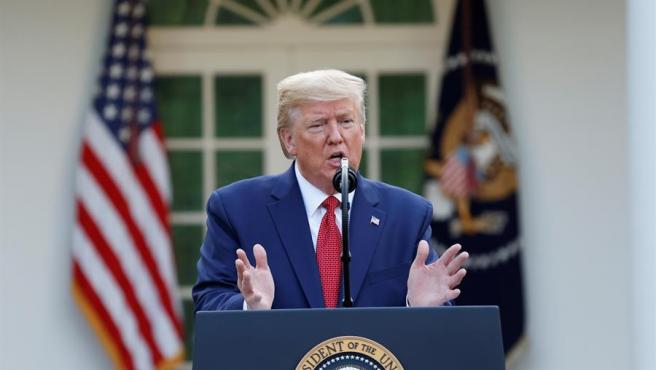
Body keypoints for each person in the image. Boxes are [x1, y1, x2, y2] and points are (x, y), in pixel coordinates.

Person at [193, 69, 468, 311]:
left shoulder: (407, 214)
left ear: (361, 131)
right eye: (318, 125)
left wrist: (418, 308)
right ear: (289, 140)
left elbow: (437, 318)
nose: (336, 137)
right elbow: (209, 300)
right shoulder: (237, 209)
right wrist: (248, 306)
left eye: (346, 122)